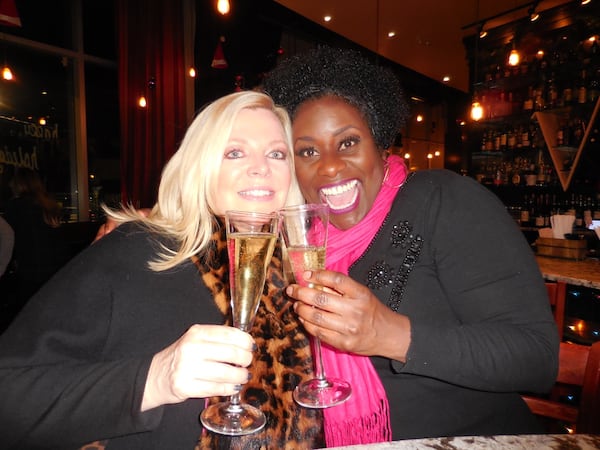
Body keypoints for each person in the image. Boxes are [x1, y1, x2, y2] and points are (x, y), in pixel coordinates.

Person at [262, 46, 559, 446]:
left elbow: (536, 357)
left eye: (348, 142)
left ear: (381, 146)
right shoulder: (297, 242)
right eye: (308, 151)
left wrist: (392, 335)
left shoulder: (441, 199)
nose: (329, 166)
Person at [0, 91, 324, 449]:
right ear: (198, 166)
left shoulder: (296, 272)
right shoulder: (138, 250)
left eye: (276, 153)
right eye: (234, 152)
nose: (261, 167)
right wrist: (154, 379)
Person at [3, 167, 68, 304]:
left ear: (19, 184)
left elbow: (8, 238)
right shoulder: (49, 206)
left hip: (30, 272)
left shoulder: (16, 206)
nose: (9, 185)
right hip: (53, 272)